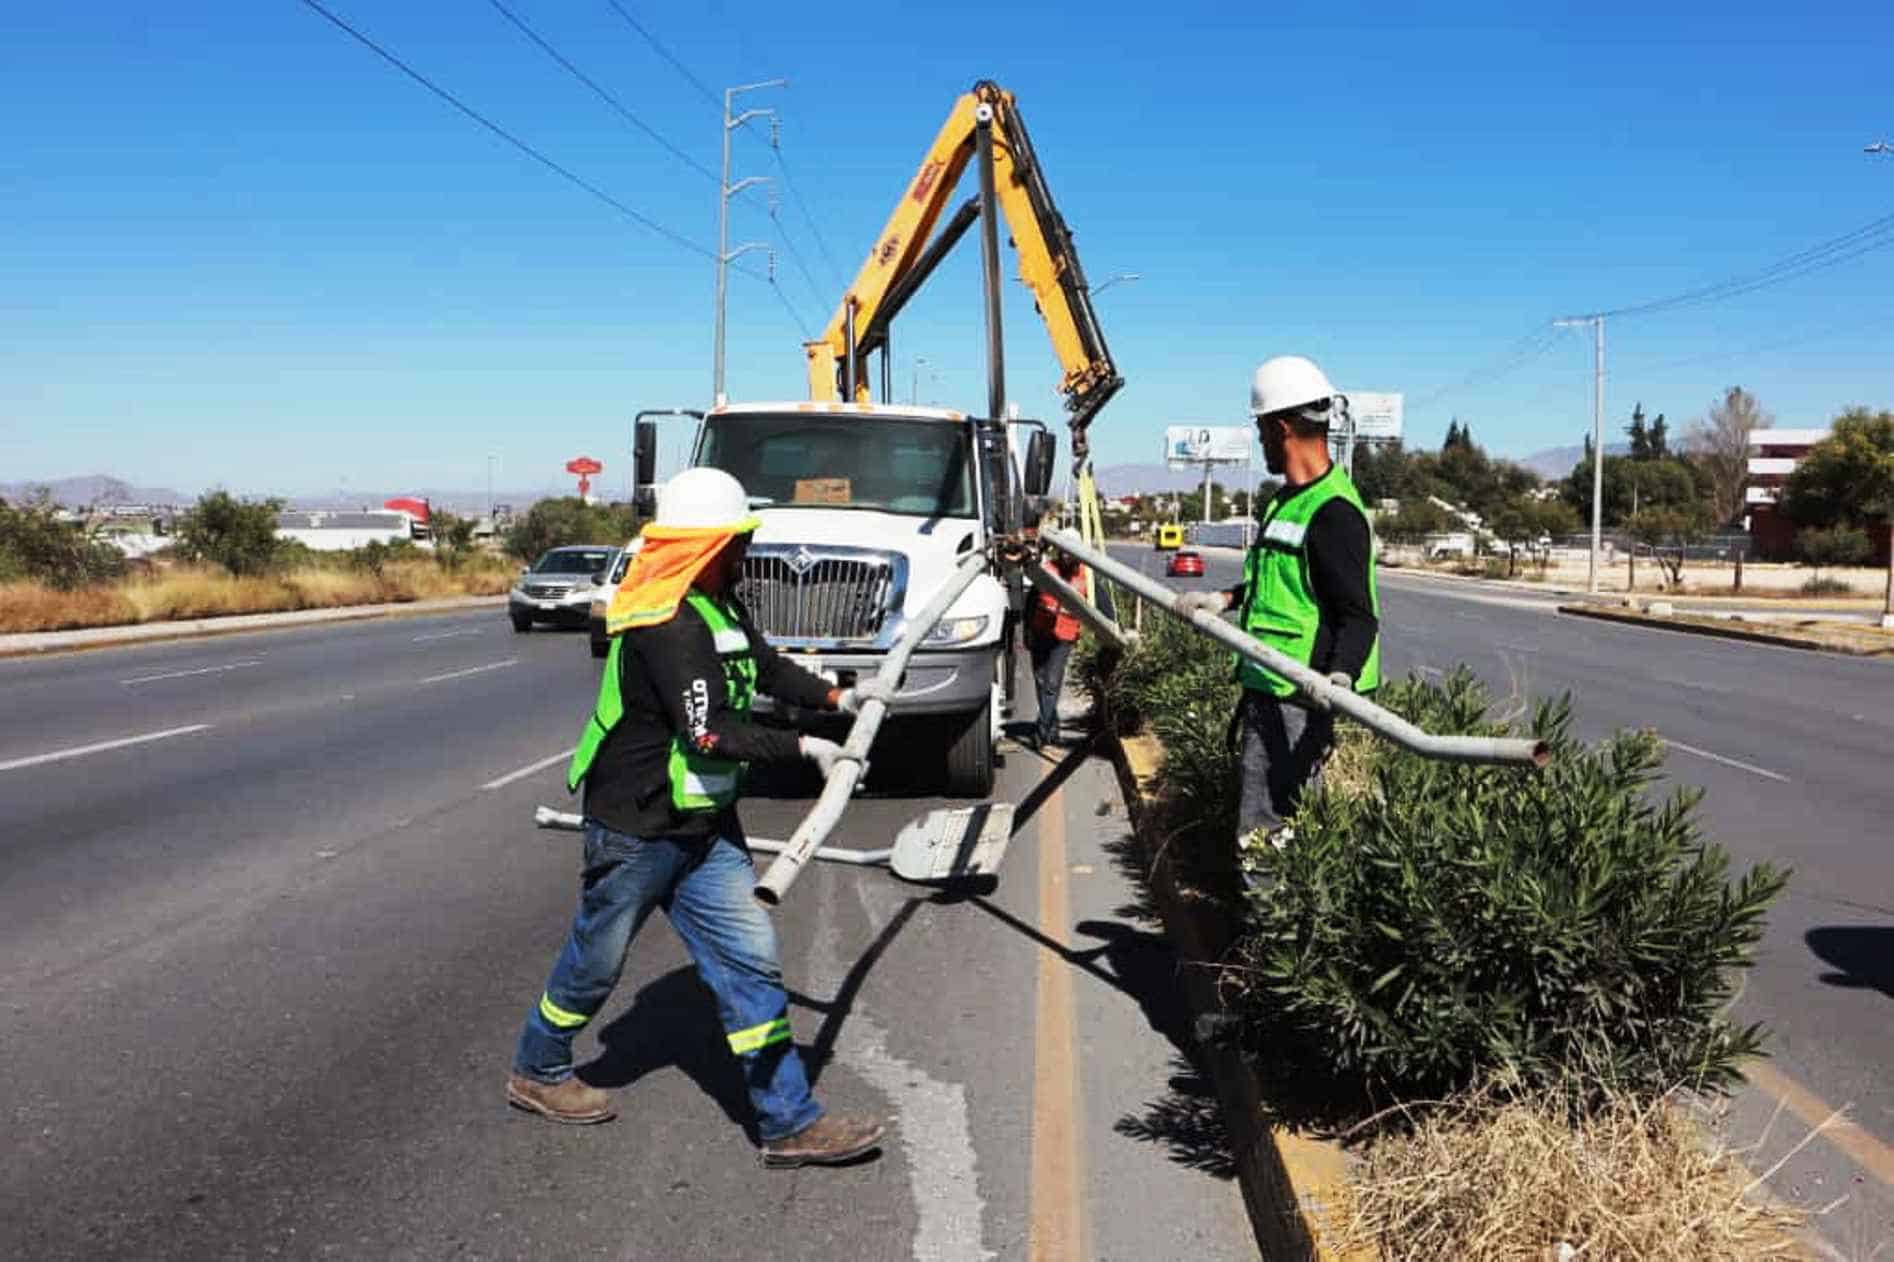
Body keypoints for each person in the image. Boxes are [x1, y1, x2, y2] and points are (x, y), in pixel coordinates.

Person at [506, 466, 889, 1170]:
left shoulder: (719, 605)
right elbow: (709, 733)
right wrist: (806, 747)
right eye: (735, 541)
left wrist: (837, 699)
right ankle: (538, 1065)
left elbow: (767, 669)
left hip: (704, 824)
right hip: (638, 826)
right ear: (705, 547)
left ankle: (787, 1122)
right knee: (596, 964)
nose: (745, 551)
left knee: (751, 964)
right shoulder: (669, 623)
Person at [1175, 355, 1380, 850]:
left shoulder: (1334, 511)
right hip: (1269, 683)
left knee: (1269, 833)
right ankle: (1265, 913)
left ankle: (1266, 921)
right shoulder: (1282, 501)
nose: (1261, 443)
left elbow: (1357, 614)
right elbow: (1274, 582)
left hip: (1301, 696)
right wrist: (1221, 598)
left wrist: (1339, 680)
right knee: (1267, 821)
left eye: (1263, 431)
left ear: (1282, 427)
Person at [1025, 547, 1092, 749]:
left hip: (1065, 636)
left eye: (1069, 552)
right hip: (1040, 632)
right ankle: (1052, 729)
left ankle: (1041, 731)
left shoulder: (1086, 578)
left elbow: (1098, 607)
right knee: (1040, 680)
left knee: (1051, 684)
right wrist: (1026, 632)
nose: (1065, 556)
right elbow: (1031, 603)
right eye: (1062, 552)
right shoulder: (1047, 570)